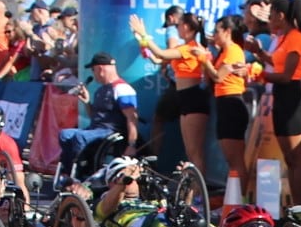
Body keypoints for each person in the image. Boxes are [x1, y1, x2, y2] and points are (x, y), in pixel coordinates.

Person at [133, 11, 212, 176]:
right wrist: (142, 42)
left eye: (179, 25)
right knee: (190, 152)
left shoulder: (192, 49)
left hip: (193, 98)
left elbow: (161, 53)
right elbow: (157, 59)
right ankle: (193, 192)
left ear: (186, 26)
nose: (177, 29)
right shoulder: (182, 48)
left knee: (195, 152)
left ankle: (198, 193)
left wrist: (144, 34)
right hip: (183, 98)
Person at [259, 0, 301, 211]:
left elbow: (286, 75)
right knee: (289, 158)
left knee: (297, 157)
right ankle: (296, 206)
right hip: (280, 97)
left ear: (281, 16)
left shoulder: (296, 38)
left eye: (271, 16)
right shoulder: (284, 38)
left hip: (291, 98)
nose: (269, 21)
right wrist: (259, 53)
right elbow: (276, 62)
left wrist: (259, 74)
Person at [57, 52, 140, 175]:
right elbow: (95, 117)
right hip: (96, 129)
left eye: (93, 70)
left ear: (100, 69)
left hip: (111, 130)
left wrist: (131, 144)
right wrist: (87, 102)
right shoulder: (100, 90)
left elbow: (132, 118)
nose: (93, 73)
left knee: (80, 137)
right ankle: (67, 171)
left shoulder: (122, 89)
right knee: (65, 134)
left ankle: (81, 172)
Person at [209, 13, 255, 199]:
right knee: (232, 160)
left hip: (232, 103)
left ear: (227, 32)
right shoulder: (223, 52)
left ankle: (237, 202)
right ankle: (233, 201)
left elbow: (218, 76)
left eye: (217, 31)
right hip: (224, 103)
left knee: (236, 160)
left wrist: (204, 60)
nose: (214, 34)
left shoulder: (234, 50)